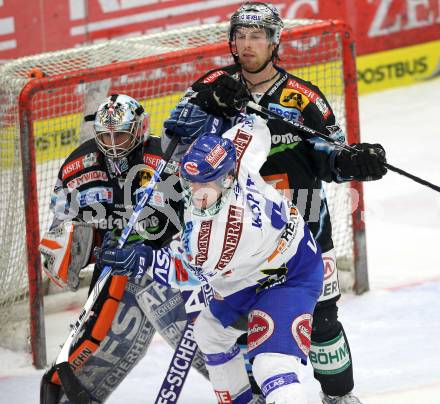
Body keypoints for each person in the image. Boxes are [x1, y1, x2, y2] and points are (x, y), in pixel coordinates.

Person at [161, 2, 388, 403]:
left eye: (257, 37)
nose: (247, 45)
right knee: (252, 328)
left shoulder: (302, 98)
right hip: (238, 237)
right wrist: (210, 104)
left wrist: (353, 160)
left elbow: (328, 154)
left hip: (304, 227)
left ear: (275, 42)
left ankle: (339, 396)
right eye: (240, 36)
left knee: (322, 322)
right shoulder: (211, 83)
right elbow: (173, 145)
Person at [96, 115, 325, 403]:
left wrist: (142, 258)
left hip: (288, 278)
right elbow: (253, 125)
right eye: (189, 181)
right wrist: (223, 116)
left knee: (271, 366)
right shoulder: (234, 153)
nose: (194, 192)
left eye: (203, 184)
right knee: (209, 333)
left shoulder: (222, 234)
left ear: (227, 178)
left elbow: (186, 270)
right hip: (259, 267)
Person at [38, 94, 210, 403]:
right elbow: (61, 229)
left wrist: (164, 256)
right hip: (114, 275)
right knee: (95, 358)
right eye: (106, 135)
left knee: (208, 344)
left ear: (139, 129)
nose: (114, 143)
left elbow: (200, 225)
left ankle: (251, 390)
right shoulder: (78, 167)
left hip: (168, 270)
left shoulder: (168, 160)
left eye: (121, 134)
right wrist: (72, 253)